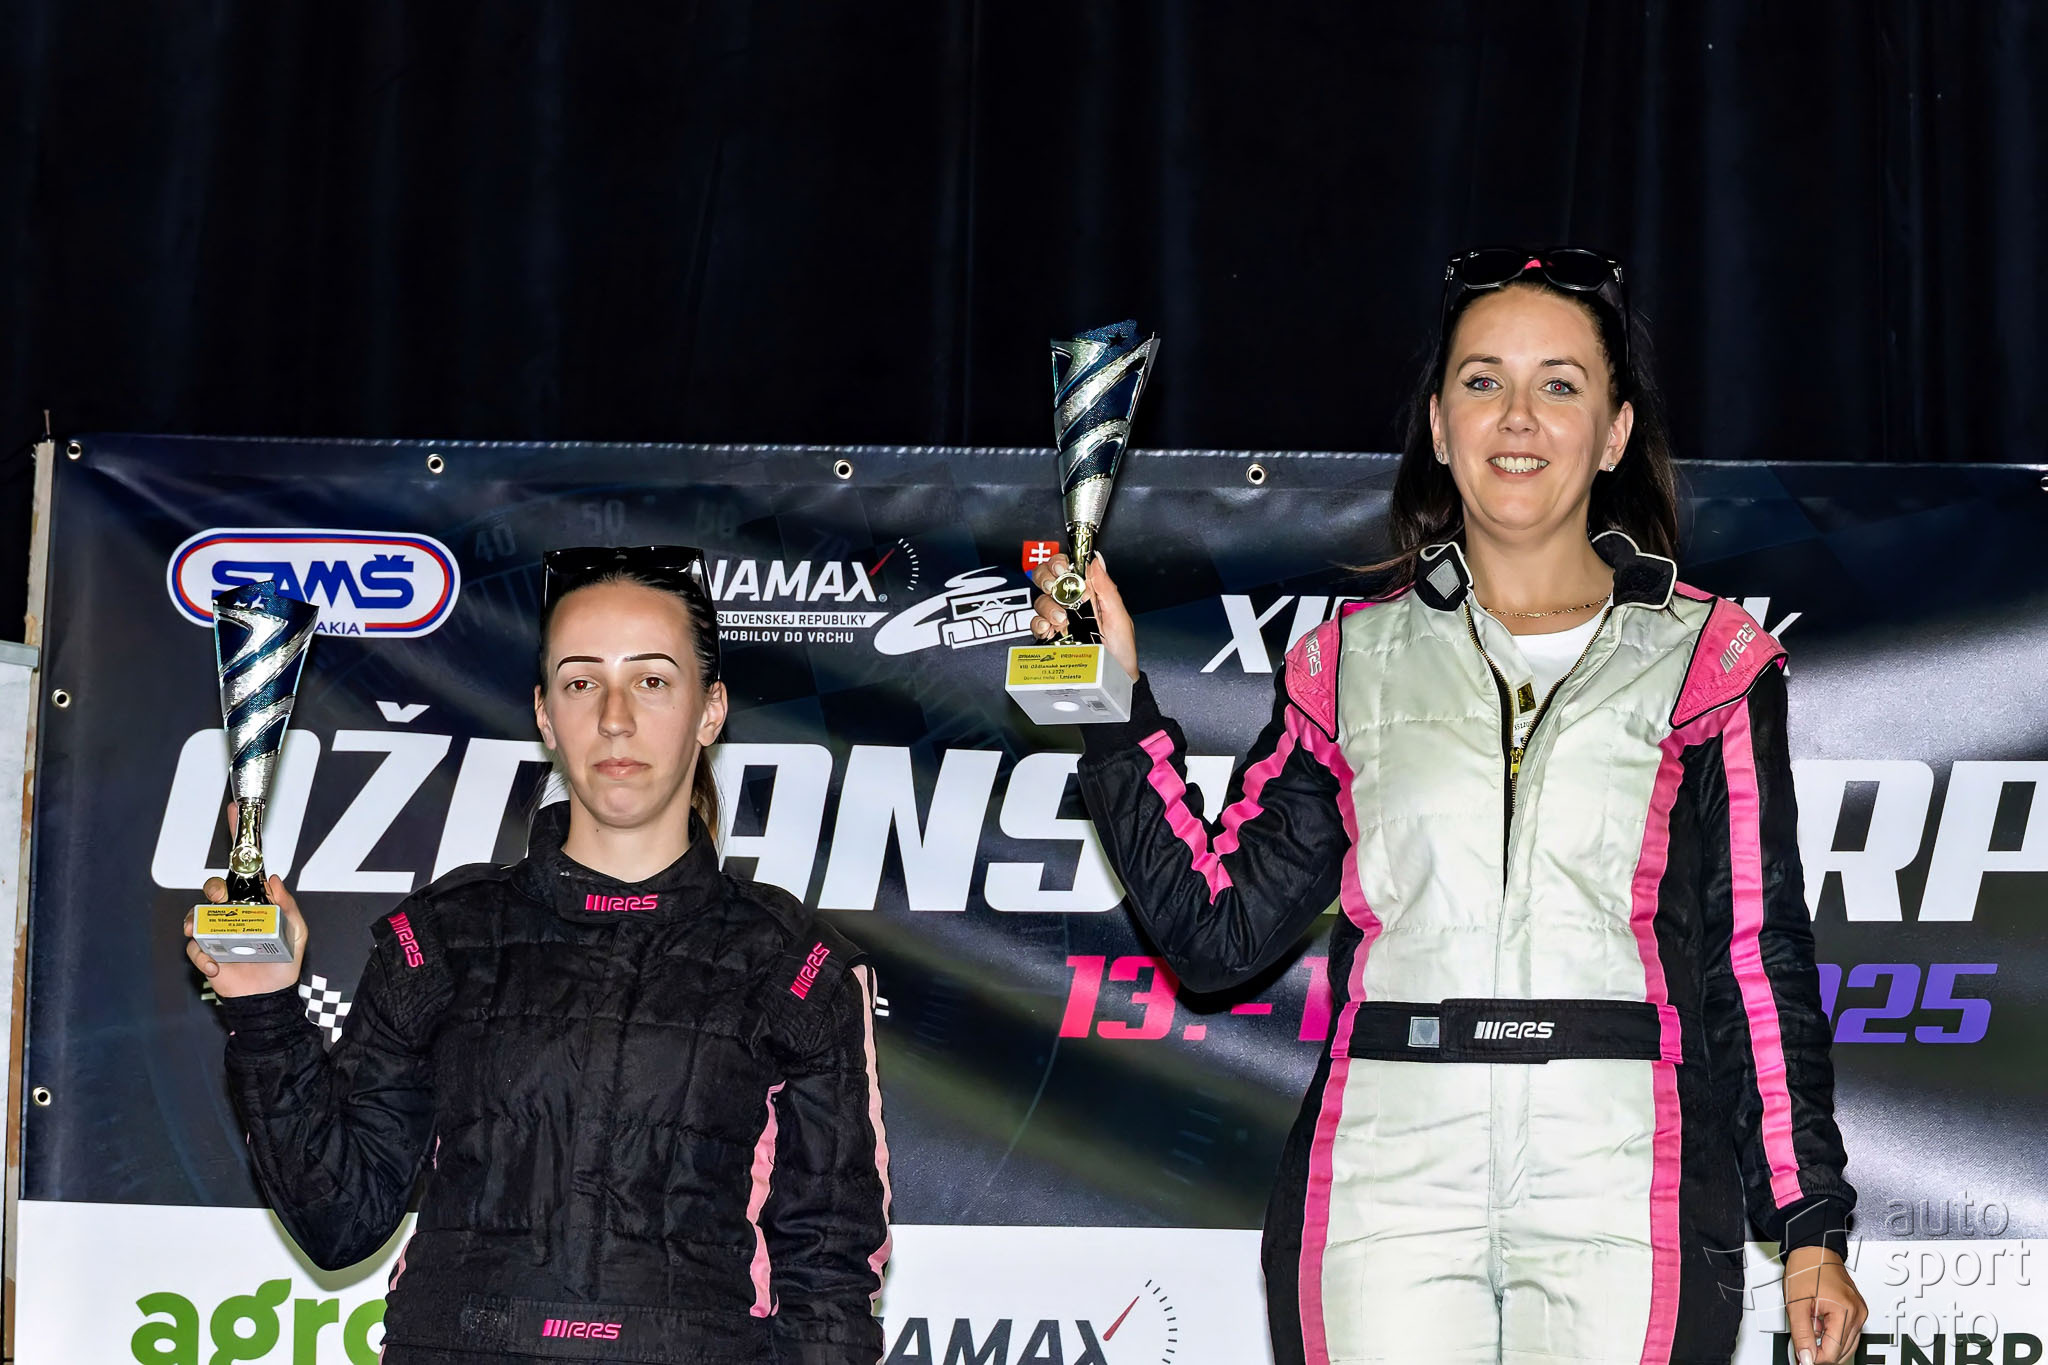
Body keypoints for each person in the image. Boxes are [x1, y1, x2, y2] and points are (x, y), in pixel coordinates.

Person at [1032, 248, 1866, 1365]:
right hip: (1385, 1180)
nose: (1516, 417)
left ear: (1614, 432)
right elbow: (1216, 929)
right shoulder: (1345, 662)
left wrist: (1808, 1225)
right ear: (1437, 422)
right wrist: (1110, 700)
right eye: (1482, 381)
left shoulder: (1710, 658)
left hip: (1625, 1180)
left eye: (1558, 384)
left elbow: (1754, 960)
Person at [187, 544, 891, 1365]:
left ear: (711, 710)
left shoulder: (799, 966)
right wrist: (265, 1010)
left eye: (653, 680)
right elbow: (340, 1219)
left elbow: (829, 1284)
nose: (616, 717)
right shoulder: (443, 937)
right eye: (582, 682)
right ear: (546, 714)